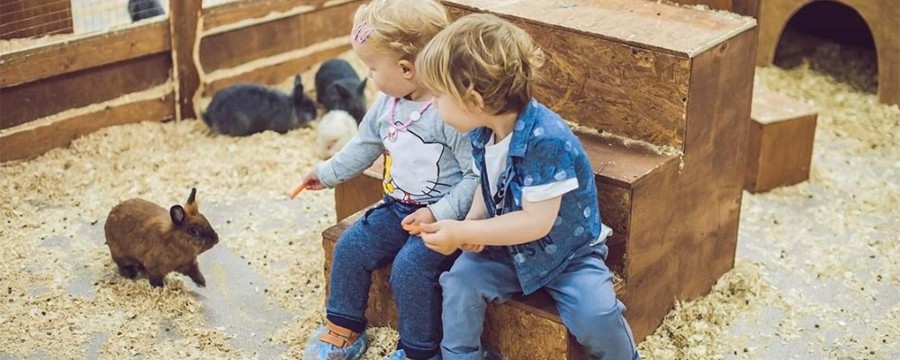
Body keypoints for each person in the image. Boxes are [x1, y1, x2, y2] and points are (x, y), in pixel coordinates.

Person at [414, 13, 640, 360]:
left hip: (567, 256)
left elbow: (536, 222)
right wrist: (473, 224)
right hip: (507, 250)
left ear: (474, 101)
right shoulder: (482, 131)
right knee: (460, 281)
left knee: (597, 316)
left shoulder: (546, 140)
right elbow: (485, 184)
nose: (432, 103)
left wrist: (460, 231)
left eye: (439, 95)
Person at [297, 1, 477, 360]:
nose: (369, 75)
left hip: (442, 220)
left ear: (407, 68)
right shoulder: (387, 103)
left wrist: (438, 213)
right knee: (350, 248)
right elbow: (364, 144)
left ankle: (419, 351)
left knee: (409, 269)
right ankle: (344, 329)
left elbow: (475, 175)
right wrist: (327, 173)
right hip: (397, 209)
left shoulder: (450, 111)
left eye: (372, 67)